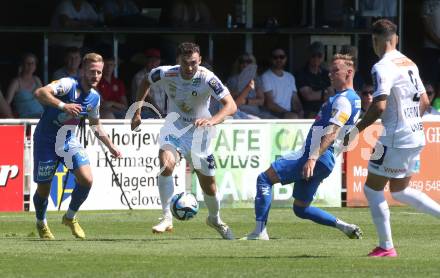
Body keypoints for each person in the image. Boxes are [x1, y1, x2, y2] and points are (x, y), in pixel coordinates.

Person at [344, 19, 440, 257]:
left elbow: (378, 106)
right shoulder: (409, 62)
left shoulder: (382, 66)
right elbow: (426, 102)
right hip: (416, 134)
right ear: (395, 38)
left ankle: (386, 246)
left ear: (375, 40)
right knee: (399, 190)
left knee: (372, 189)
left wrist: (354, 132)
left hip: (394, 137)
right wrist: (410, 123)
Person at [241, 54, 363, 241]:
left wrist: (313, 158)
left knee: (264, 179)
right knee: (301, 208)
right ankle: (343, 226)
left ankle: (259, 232)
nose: (330, 74)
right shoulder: (354, 99)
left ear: (349, 72)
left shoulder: (343, 100)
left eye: (335, 71)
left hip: (315, 155)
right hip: (326, 159)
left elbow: (332, 132)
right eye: (330, 71)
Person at [131, 42, 237, 239]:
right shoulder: (165, 73)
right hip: (175, 128)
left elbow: (231, 106)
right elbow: (145, 81)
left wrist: (212, 121)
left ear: (200, 61)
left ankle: (214, 218)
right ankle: (166, 217)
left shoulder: (207, 78)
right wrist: (137, 112)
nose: (189, 68)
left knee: (209, 186)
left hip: (200, 135)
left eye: (194, 63)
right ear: (178, 61)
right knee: (166, 164)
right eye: (185, 63)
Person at [32, 53, 121, 239]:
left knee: (87, 179)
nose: (95, 76)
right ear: (82, 70)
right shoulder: (68, 84)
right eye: (92, 71)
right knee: (44, 189)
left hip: (68, 141)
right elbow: (39, 93)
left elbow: (95, 124)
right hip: (46, 141)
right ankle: (41, 222)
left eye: (99, 72)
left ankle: (70, 217)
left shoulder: (95, 98)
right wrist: (64, 106)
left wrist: (111, 146)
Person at [261, 48, 303, 119]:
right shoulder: (265, 77)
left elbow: (295, 99)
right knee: (293, 117)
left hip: (288, 114)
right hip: (272, 113)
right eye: (275, 57)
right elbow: (269, 104)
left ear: (286, 58)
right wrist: (288, 113)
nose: (279, 59)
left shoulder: (290, 77)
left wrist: (300, 111)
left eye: (282, 57)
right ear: (271, 59)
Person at [296, 41, 333, 119]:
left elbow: (332, 94)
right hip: (308, 111)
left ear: (323, 57)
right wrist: (324, 92)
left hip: (327, 110)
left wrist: (316, 93)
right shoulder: (301, 73)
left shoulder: (326, 74)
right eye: (313, 55)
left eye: (319, 55)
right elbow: (308, 96)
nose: (316, 58)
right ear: (309, 56)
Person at [226, 53, 266, 119]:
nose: (245, 64)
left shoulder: (257, 79)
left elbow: (261, 101)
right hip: (238, 111)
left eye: (249, 62)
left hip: (254, 112)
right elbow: (228, 99)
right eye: (242, 61)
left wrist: (245, 101)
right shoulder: (232, 79)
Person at [6, 53, 44, 118]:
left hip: (41, 116)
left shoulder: (37, 80)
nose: (30, 66)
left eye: (33, 63)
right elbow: (7, 103)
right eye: (28, 63)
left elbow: (44, 99)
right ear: (22, 65)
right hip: (25, 119)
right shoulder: (16, 82)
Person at [131, 48, 167, 117]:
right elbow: (147, 98)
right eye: (151, 60)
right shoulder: (140, 76)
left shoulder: (163, 75)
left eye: (156, 60)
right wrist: (160, 114)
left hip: (162, 114)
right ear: (146, 61)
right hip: (144, 114)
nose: (153, 63)